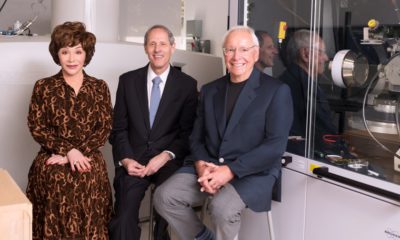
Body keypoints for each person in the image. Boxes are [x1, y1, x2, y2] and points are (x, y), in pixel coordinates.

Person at [154, 26, 293, 240]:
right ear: (224, 54)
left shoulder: (276, 91)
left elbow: (274, 148)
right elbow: (196, 137)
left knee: (221, 208)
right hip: (208, 165)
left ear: (255, 54)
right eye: (230, 50)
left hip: (252, 172)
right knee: (164, 196)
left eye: (244, 50)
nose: (237, 57)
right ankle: (204, 237)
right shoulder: (210, 91)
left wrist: (229, 171)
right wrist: (200, 165)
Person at [108, 24, 198, 240]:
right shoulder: (127, 81)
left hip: (168, 161)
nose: (158, 49)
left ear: (173, 47)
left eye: (163, 44)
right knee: (123, 218)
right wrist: (126, 159)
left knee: (164, 207)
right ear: (145, 48)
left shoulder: (187, 85)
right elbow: (118, 128)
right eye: (152, 44)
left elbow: (188, 133)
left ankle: (161, 235)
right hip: (134, 160)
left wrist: (166, 155)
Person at [26, 21, 113, 239]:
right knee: (56, 178)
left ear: (86, 54)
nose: (72, 59)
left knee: (87, 175)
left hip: (88, 157)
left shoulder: (99, 87)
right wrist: (67, 151)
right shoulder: (43, 86)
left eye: (78, 51)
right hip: (51, 157)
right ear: (57, 54)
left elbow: (104, 127)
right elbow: (37, 126)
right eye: (65, 52)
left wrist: (76, 153)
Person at [278, 29, 339, 156]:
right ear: (306, 55)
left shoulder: (290, 80)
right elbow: (325, 134)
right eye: (321, 52)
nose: (326, 58)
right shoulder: (302, 87)